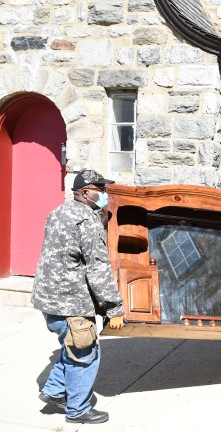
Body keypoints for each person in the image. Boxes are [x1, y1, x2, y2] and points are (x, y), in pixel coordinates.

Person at [32, 169, 126, 424]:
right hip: (71, 303)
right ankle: (78, 410)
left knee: (72, 346)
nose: (105, 194)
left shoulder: (58, 212)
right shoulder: (87, 222)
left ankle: (54, 391)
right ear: (85, 192)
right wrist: (114, 309)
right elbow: (98, 270)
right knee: (85, 354)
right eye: (100, 189)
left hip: (49, 300)